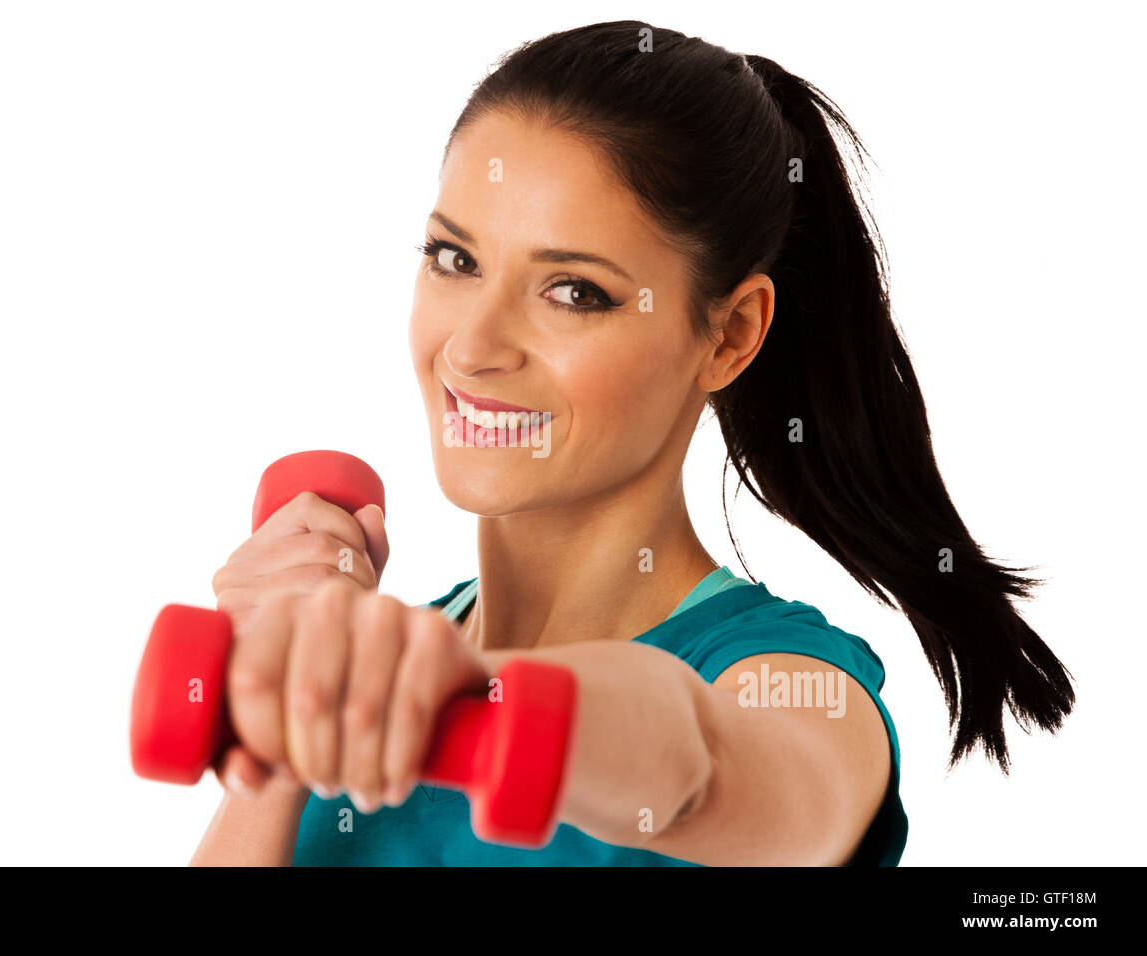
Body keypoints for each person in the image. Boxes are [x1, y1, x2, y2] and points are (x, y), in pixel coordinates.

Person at [190, 20, 1075, 866]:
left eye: (574, 291)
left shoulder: (790, 688)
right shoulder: (363, 675)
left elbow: (695, 763)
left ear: (729, 335)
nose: (472, 348)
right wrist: (273, 724)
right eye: (455, 260)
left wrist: (462, 704)